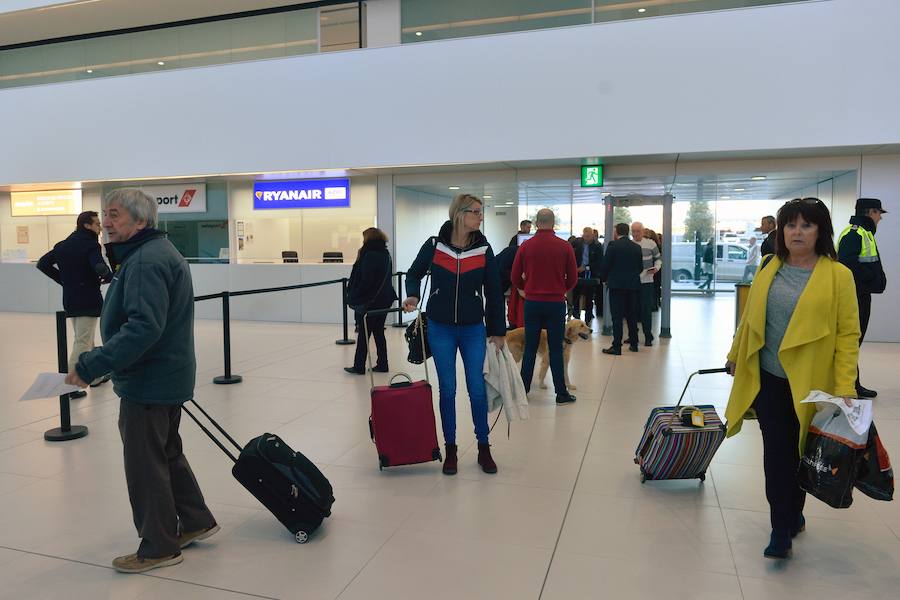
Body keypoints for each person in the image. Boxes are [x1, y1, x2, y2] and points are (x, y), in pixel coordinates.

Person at [65, 189, 217, 574]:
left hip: (150, 381)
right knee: (165, 453)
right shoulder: (152, 253)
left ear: (140, 221)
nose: (108, 224)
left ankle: (159, 546)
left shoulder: (146, 261)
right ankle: (196, 520)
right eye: (106, 215)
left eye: (115, 216)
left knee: (145, 464)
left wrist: (90, 364)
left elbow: (142, 329)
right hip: (165, 375)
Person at [725, 197, 859, 560]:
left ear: (820, 231)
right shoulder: (769, 265)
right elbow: (750, 318)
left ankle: (793, 512)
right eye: (790, 225)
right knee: (778, 457)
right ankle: (780, 528)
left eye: (806, 225)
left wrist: (846, 386)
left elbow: (848, 335)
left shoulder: (838, 275)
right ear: (781, 231)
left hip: (812, 384)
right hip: (769, 379)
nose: (797, 232)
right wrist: (735, 354)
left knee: (803, 455)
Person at [403, 193, 506, 476]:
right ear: (460, 214)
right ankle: (450, 448)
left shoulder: (483, 250)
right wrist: (412, 295)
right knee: (447, 390)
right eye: (476, 211)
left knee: (476, 390)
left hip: (474, 328)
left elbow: (495, 294)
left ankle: (484, 446)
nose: (480, 216)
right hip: (440, 327)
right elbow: (413, 273)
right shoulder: (435, 246)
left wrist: (498, 331)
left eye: (481, 212)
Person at [37, 210, 113, 397]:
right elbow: (99, 267)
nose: (100, 227)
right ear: (87, 225)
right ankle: (70, 385)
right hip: (88, 298)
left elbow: (43, 264)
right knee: (83, 341)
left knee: (86, 338)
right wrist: (109, 276)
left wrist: (63, 280)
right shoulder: (90, 245)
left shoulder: (63, 245)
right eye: (97, 224)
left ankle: (94, 377)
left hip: (71, 298)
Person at [511, 208, 578, 404]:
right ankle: (561, 394)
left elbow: (515, 277)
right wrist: (560, 290)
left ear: (537, 223)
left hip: (532, 303)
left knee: (530, 347)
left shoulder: (526, 246)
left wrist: (527, 289)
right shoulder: (564, 247)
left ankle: (523, 390)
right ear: (553, 223)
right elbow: (573, 278)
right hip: (556, 304)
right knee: (556, 348)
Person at [837, 198, 888, 399]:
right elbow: (847, 265)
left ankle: (854, 383)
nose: (880, 218)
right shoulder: (854, 234)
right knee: (851, 341)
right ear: (870, 212)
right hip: (854, 297)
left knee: (854, 341)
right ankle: (850, 385)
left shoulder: (863, 233)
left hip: (861, 295)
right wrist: (873, 278)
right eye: (879, 213)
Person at [345, 228, 398, 375]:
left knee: (364, 333)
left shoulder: (369, 255)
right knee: (378, 332)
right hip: (385, 299)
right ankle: (383, 364)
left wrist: (356, 294)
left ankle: (359, 366)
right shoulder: (385, 254)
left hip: (371, 301)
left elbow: (366, 280)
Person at [598, 223, 643, 355]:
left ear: (617, 232)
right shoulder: (636, 247)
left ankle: (617, 346)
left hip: (616, 286)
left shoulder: (613, 246)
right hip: (633, 286)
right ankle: (634, 344)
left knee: (617, 317)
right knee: (631, 315)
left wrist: (604, 278)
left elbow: (606, 265)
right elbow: (640, 267)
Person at [631, 222, 661, 346]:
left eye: (638, 231)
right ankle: (633, 336)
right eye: (633, 231)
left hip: (647, 281)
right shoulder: (630, 245)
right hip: (632, 282)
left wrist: (657, 268)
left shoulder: (650, 243)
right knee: (632, 310)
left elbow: (658, 258)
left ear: (643, 231)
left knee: (645, 310)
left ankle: (648, 336)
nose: (636, 233)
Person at [571, 226, 603, 322]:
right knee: (576, 296)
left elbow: (599, 262)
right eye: (585, 236)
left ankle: (588, 319)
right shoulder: (577, 244)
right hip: (577, 273)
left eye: (588, 236)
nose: (586, 239)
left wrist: (585, 267)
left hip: (590, 274)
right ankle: (576, 317)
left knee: (589, 298)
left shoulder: (597, 246)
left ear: (593, 236)